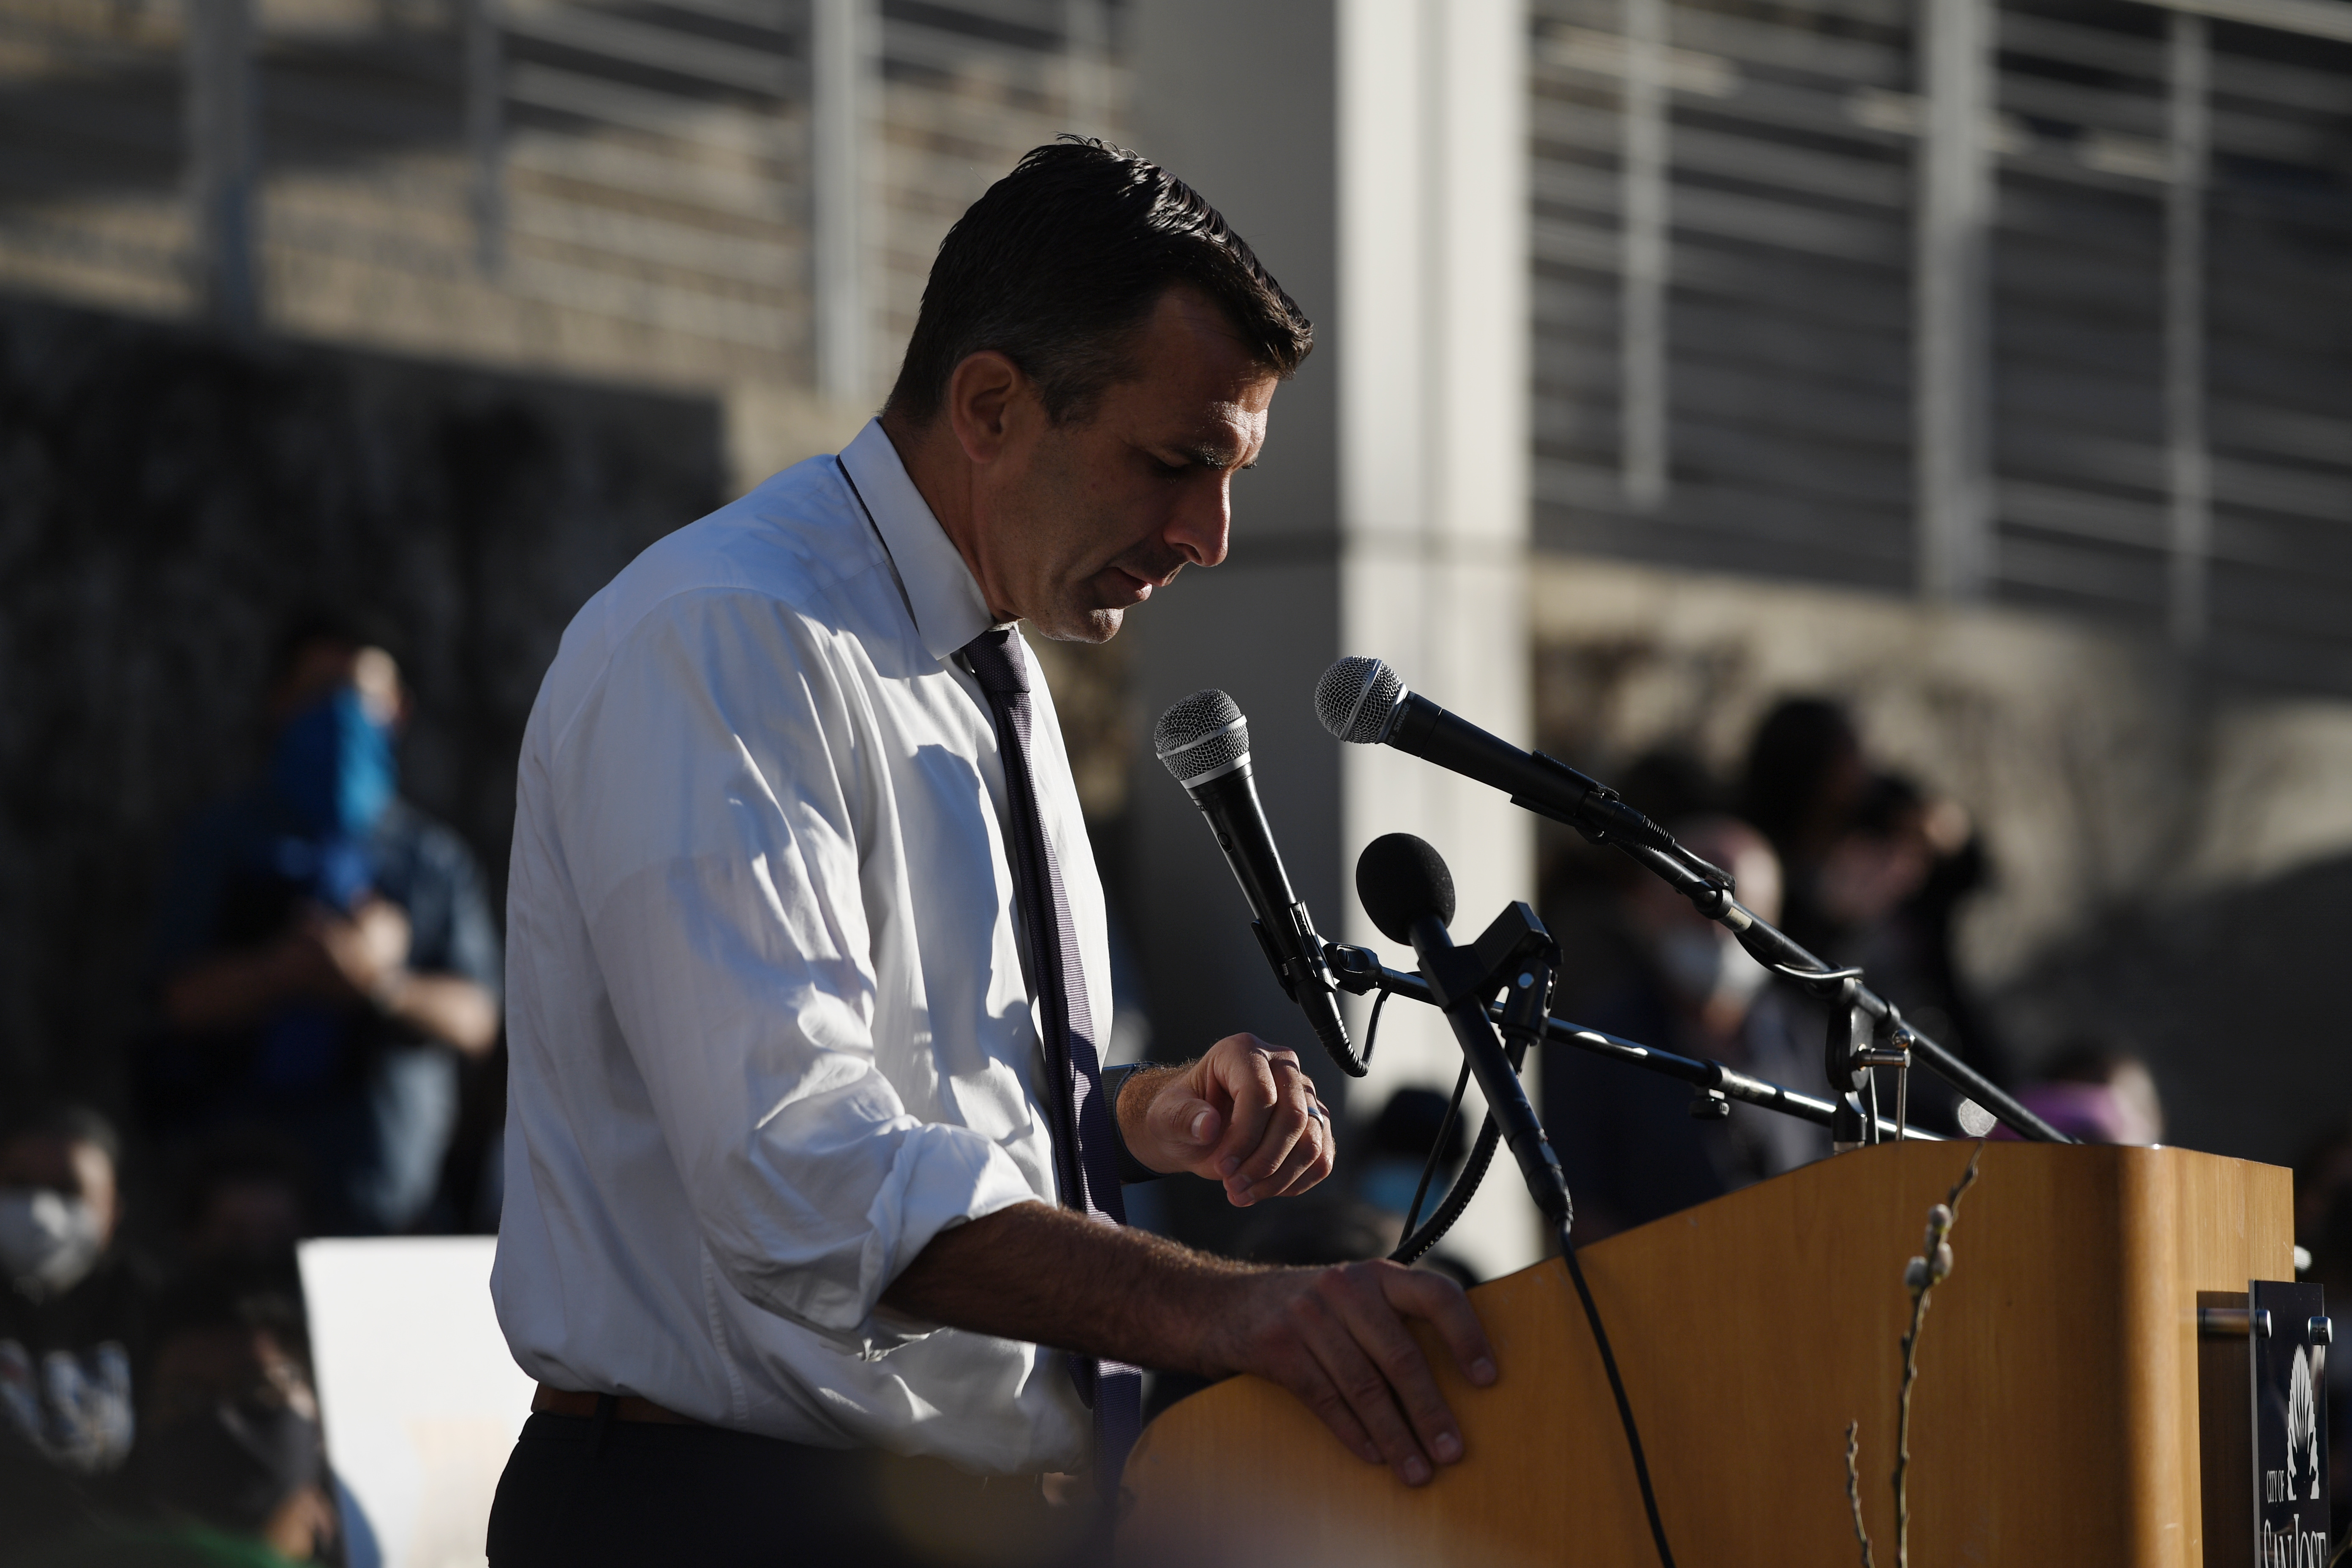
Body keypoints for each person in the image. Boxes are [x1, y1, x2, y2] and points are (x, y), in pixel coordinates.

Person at [486, 139, 1495, 1566]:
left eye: (1229, 475)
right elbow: (800, 1170)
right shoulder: (724, 636)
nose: (1208, 536)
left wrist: (1127, 1116)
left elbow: (913, 1094)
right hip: (732, 1511)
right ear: (989, 405)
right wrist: (1229, 1309)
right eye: (1174, 462)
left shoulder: (977, 647)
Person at [142, 614, 502, 1236]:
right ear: (279, 704)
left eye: (361, 694)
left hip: (390, 1208)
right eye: (320, 692)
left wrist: (380, 983)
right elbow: (173, 998)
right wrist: (284, 972)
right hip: (234, 1208)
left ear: (398, 709)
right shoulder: (219, 843)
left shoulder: (432, 862)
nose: (341, 714)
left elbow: (478, 1019)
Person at [1542, 816, 1829, 1241]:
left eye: (1740, 910)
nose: (1716, 928)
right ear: (1648, 905)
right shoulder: (1596, 1041)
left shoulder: (1805, 1039)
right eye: (1699, 904)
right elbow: (1578, 1207)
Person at [0, 1102, 147, 1510]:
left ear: (113, 1211)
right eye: (18, 1184)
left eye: (69, 1191)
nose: (40, 1211)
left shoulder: (156, 1314)